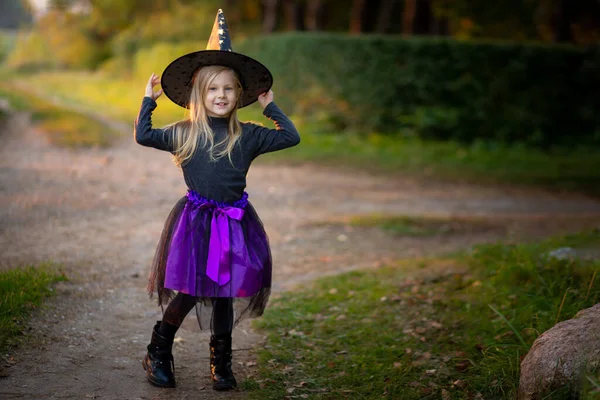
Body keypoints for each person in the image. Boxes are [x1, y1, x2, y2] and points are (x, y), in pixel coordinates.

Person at [134, 10, 300, 391]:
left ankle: (220, 363)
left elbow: (291, 137)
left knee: (227, 290)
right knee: (191, 290)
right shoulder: (184, 134)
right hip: (196, 223)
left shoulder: (250, 136)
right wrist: (149, 101)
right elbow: (143, 135)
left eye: (227, 89)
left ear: (238, 95)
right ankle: (158, 351)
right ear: (198, 94)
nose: (220, 96)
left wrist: (271, 107)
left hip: (236, 222)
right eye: (212, 89)